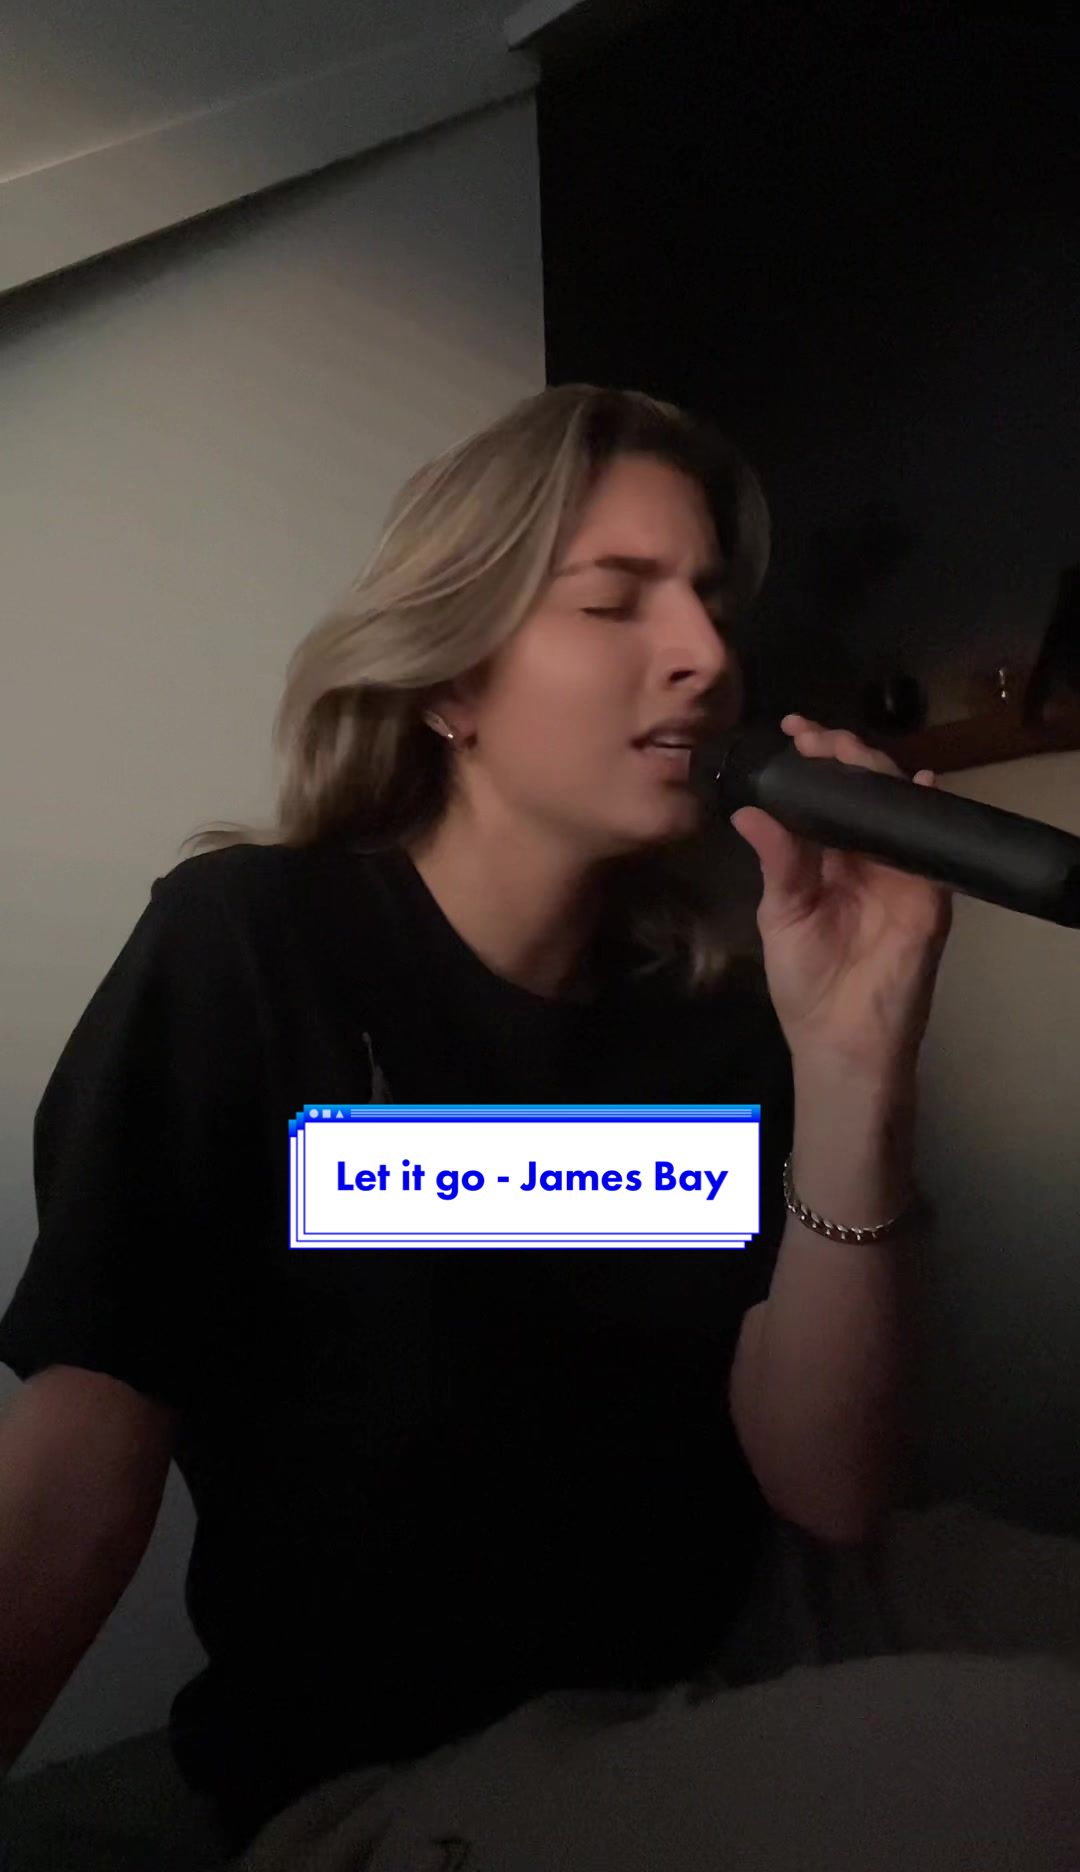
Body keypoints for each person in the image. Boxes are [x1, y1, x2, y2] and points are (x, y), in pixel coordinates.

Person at [0, 384, 952, 1858]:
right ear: (451, 679)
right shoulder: (253, 948)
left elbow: (828, 1486)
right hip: (399, 1776)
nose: (706, 656)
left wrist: (855, 1064)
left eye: (710, 602)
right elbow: (80, 1466)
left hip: (740, 1659)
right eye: (614, 602)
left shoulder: (715, 1003)